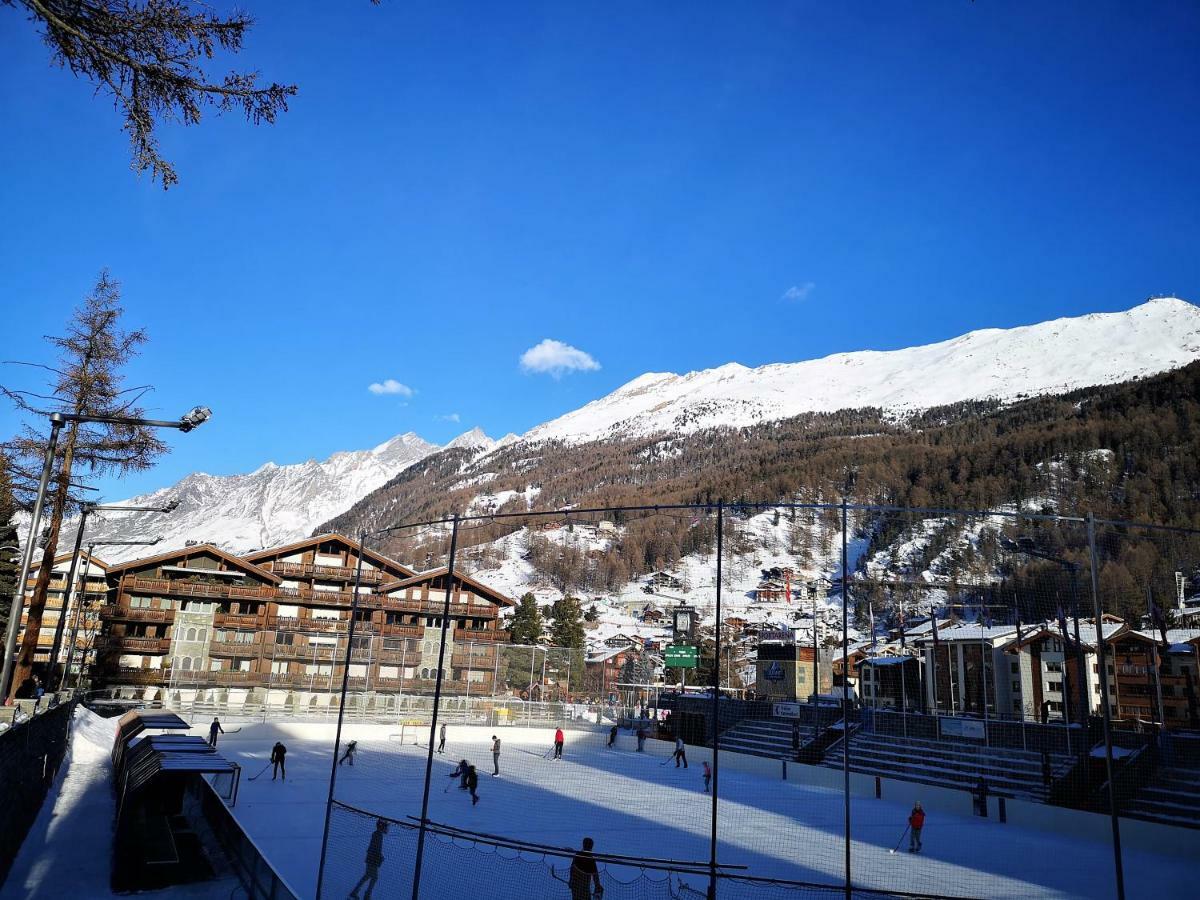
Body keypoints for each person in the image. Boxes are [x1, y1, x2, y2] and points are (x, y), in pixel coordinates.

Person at [349, 817, 388, 899]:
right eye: (385, 827)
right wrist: (379, 857)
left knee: (367, 876)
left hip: (371, 859)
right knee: (374, 877)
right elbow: (375, 849)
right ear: (382, 827)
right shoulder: (378, 835)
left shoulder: (377, 834)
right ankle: (366, 895)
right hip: (372, 860)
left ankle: (356, 891)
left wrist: (379, 856)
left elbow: (374, 848)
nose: (387, 829)